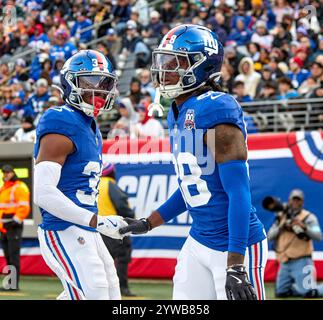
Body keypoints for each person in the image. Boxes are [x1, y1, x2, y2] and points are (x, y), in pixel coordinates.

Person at [120, 25, 267, 300]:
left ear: (201, 66)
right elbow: (194, 185)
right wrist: (149, 222)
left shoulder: (216, 107)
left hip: (235, 246)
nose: (164, 70)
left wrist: (236, 264)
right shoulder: (176, 111)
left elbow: (238, 191)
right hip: (198, 240)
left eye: (175, 63)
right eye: (164, 61)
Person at [33, 50, 129, 300]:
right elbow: (43, 193)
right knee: (95, 292)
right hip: (62, 228)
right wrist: (96, 221)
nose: (99, 90)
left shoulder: (92, 128)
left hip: (85, 228)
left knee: (110, 292)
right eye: (91, 82)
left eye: (104, 83)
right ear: (70, 83)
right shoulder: (60, 120)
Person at [266, 189, 323, 298]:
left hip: (302, 260)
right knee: (281, 293)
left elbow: (318, 236)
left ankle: (308, 288)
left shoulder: (308, 217)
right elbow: (270, 236)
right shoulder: (281, 217)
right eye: (294, 199)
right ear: (289, 200)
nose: (295, 202)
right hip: (285, 261)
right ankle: (301, 287)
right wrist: (281, 226)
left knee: (309, 293)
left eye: (298, 200)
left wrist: (304, 227)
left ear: (302, 202)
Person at [98, 163, 136, 297]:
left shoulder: (94, 185)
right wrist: (130, 219)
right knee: (122, 257)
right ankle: (122, 288)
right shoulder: (110, 184)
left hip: (97, 228)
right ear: (111, 172)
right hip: (114, 229)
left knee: (101, 261)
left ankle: (100, 288)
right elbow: (122, 204)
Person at [0, 164, 30, 290]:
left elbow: (24, 207)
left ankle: (14, 285)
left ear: (13, 173)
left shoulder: (20, 187)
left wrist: (14, 222)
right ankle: (10, 284)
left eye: (8, 172)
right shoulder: (4, 188)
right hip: (4, 227)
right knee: (8, 257)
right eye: (4, 172)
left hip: (14, 227)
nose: (6, 174)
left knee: (13, 256)